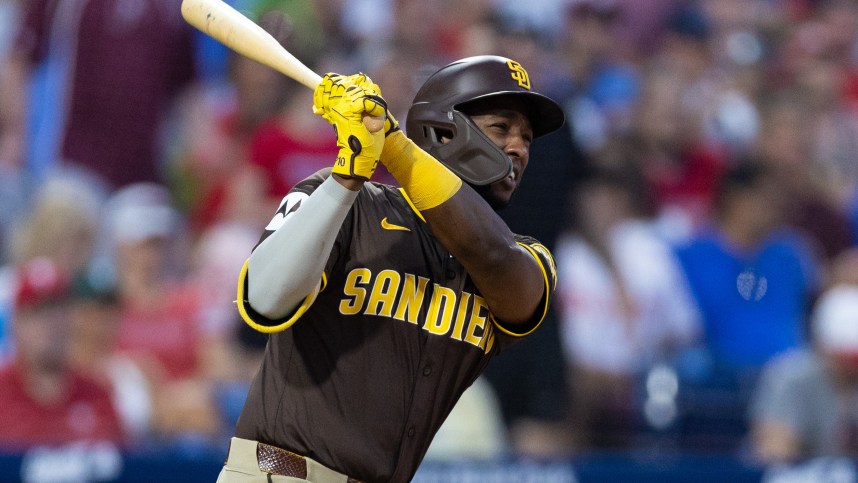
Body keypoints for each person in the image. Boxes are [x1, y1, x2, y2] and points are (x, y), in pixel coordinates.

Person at [217, 55, 564, 483]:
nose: (519, 148)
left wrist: (394, 146)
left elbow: (491, 254)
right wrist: (345, 179)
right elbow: (264, 300)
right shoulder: (350, 202)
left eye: (527, 138)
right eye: (501, 128)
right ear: (442, 131)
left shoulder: (526, 258)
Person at [0, 257, 123, 449]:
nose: (49, 324)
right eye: (37, 312)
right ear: (17, 323)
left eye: (57, 311)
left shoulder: (97, 394)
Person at [748, 282, 858, 464]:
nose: (852, 368)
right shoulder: (790, 376)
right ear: (823, 348)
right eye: (846, 358)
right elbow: (775, 451)